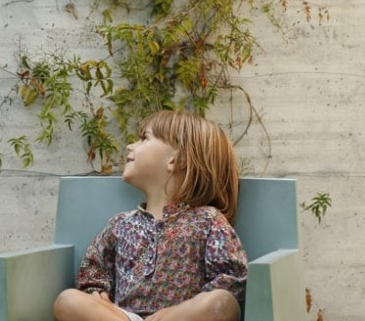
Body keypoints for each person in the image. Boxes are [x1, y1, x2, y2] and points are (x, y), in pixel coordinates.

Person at [53, 110, 248, 321]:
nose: (130, 145)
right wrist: (95, 291)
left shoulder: (207, 220)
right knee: (67, 301)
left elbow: (231, 279)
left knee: (222, 303)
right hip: (125, 318)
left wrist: (175, 313)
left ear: (176, 159)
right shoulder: (120, 224)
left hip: (178, 318)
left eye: (144, 138)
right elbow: (93, 268)